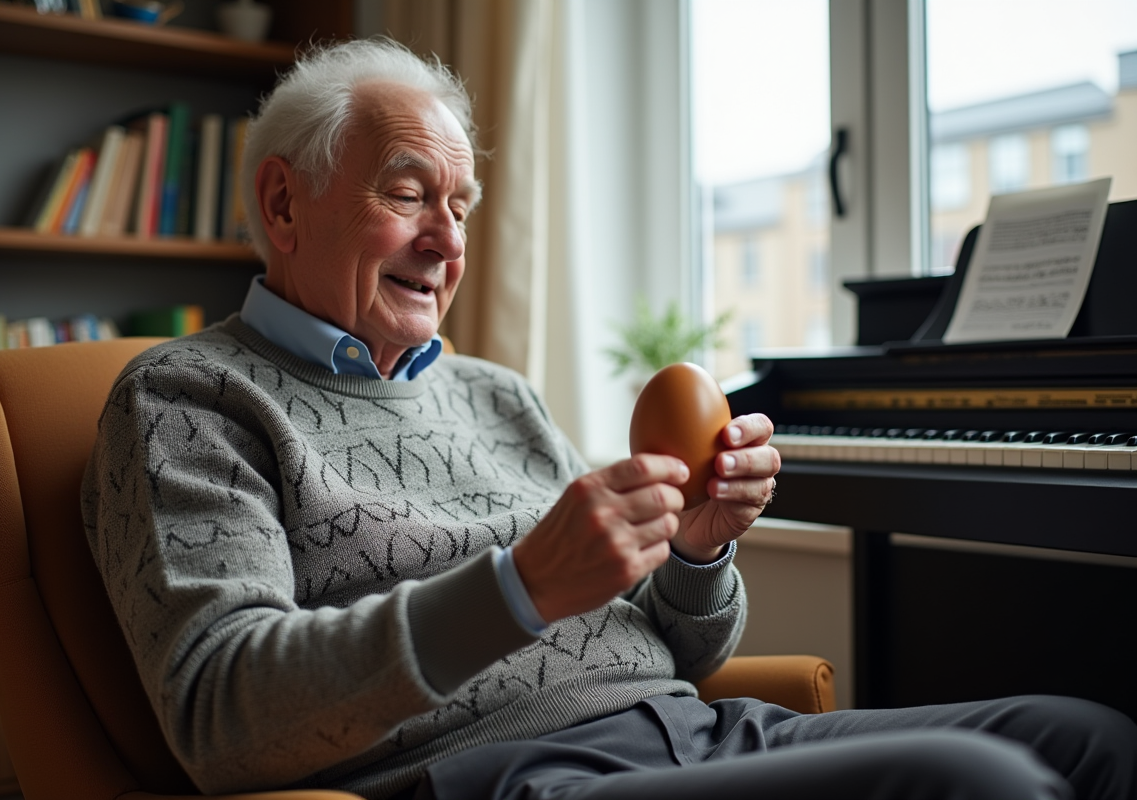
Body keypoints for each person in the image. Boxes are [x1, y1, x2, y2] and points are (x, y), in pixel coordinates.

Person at [81, 37, 1135, 800]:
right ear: (282, 203)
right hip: (508, 775)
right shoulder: (189, 398)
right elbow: (220, 715)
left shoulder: (500, 393)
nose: (448, 242)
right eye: (410, 194)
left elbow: (688, 643)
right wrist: (518, 588)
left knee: (1092, 738)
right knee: (978, 780)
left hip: (698, 730)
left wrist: (698, 549)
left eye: (462, 207)